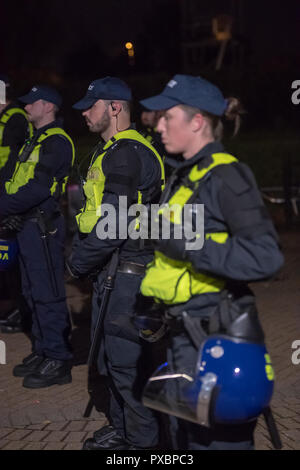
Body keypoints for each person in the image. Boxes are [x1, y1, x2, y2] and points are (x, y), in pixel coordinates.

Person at [139, 74, 284, 450]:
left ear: (197, 121)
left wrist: (188, 247)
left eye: (169, 116)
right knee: (186, 437)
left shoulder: (226, 175)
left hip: (214, 334)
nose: (160, 124)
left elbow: (266, 256)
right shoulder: (184, 175)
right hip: (183, 330)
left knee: (218, 442)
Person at [68, 76, 165, 450]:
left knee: (125, 365)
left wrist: (77, 262)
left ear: (115, 107)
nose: (84, 114)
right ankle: (125, 430)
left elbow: (115, 223)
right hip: (113, 271)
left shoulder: (125, 152)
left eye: (91, 106)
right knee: (111, 361)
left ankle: (142, 445)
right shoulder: (111, 149)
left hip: (128, 273)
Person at [0, 85, 75, 388]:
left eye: (32, 103)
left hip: (42, 226)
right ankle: (43, 350)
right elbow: (11, 177)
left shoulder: (56, 141)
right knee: (32, 292)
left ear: (48, 105)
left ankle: (58, 358)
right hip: (26, 224)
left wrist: (2, 206)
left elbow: (40, 189)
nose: (26, 107)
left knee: (47, 293)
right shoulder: (36, 139)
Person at [0, 75, 33, 333]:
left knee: (13, 259)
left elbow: (15, 164)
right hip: (5, 196)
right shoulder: (7, 118)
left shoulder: (15, 119)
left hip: (10, 198)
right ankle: (17, 308)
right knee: (6, 259)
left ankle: (23, 311)